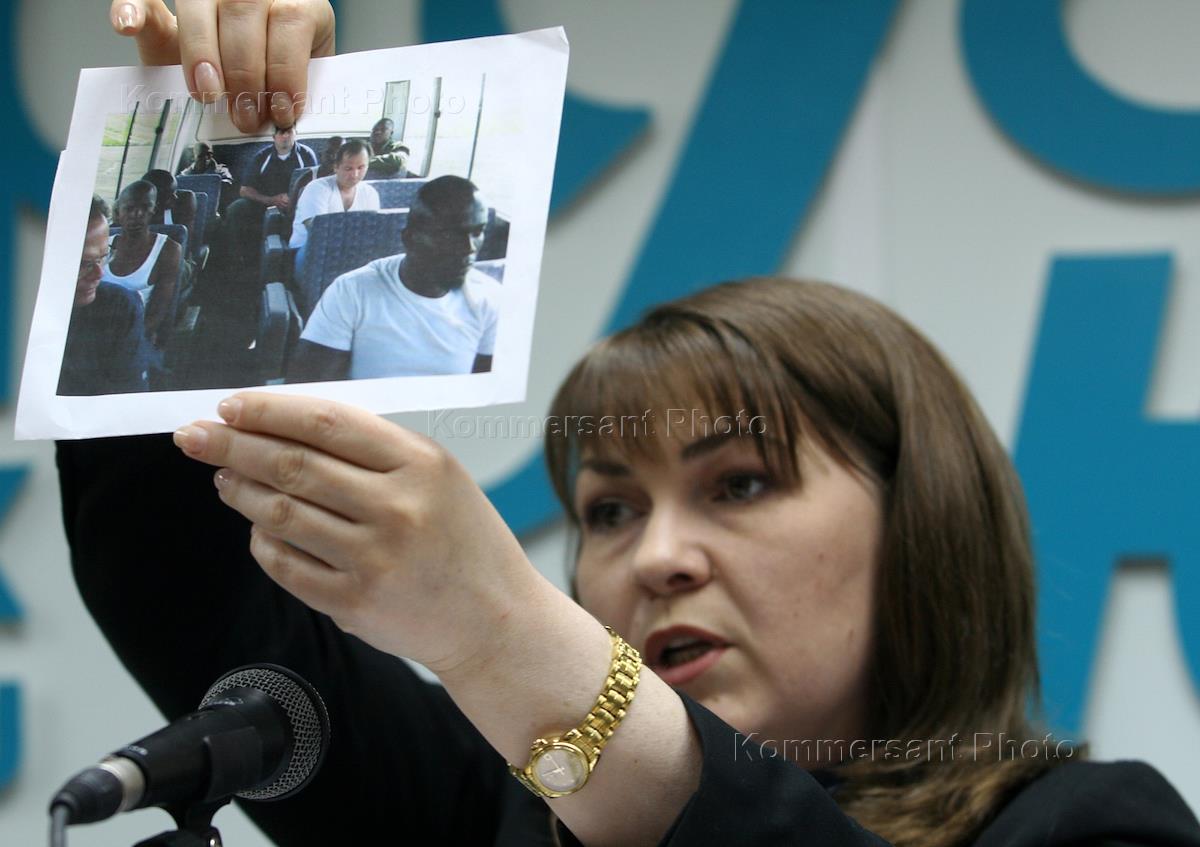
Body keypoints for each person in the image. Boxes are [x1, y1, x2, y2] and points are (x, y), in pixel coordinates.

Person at [68, 2, 1200, 845]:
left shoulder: (1093, 825)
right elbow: (180, 583)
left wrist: (502, 635)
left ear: (923, 524)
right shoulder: (491, 810)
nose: (657, 558)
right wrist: (206, 118)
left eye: (740, 484)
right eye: (609, 509)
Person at [286, 175, 497, 382]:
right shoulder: (352, 292)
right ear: (410, 238)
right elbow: (308, 390)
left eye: (477, 232)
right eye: (449, 235)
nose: (469, 248)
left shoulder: (490, 299)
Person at [58, 196, 148, 395]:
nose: (99, 274)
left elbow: (128, 394)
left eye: (103, 258)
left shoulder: (120, 309)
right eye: (84, 264)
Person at [221, 124, 318, 274]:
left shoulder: (306, 155)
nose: (285, 136)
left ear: (295, 133)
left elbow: (315, 185)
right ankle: (236, 264)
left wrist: (295, 200)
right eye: (280, 133)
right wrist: (270, 200)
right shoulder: (261, 157)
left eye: (289, 132)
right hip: (264, 205)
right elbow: (244, 190)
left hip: (297, 206)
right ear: (273, 137)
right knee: (235, 209)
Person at [104, 180, 182, 346]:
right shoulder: (103, 245)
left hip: (134, 335)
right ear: (117, 213)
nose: (137, 214)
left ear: (154, 210)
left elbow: (157, 313)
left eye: (145, 208)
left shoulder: (168, 250)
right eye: (129, 208)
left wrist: (126, 342)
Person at [289, 139, 380, 254]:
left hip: (350, 250)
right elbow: (318, 231)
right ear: (336, 167)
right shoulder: (317, 188)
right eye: (348, 168)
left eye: (361, 167)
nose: (355, 175)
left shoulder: (370, 193)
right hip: (309, 250)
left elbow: (371, 230)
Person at [177, 142, 236, 212]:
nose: (206, 158)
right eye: (201, 155)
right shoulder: (184, 175)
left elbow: (228, 185)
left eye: (209, 154)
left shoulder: (221, 170)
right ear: (193, 157)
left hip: (215, 207)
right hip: (192, 208)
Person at [142, 168, 197, 233]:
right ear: (155, 201)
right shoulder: (138, 216)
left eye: (175, 192)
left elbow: (187, 236)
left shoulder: (183, 203)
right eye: (169, 196)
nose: (176, 197)